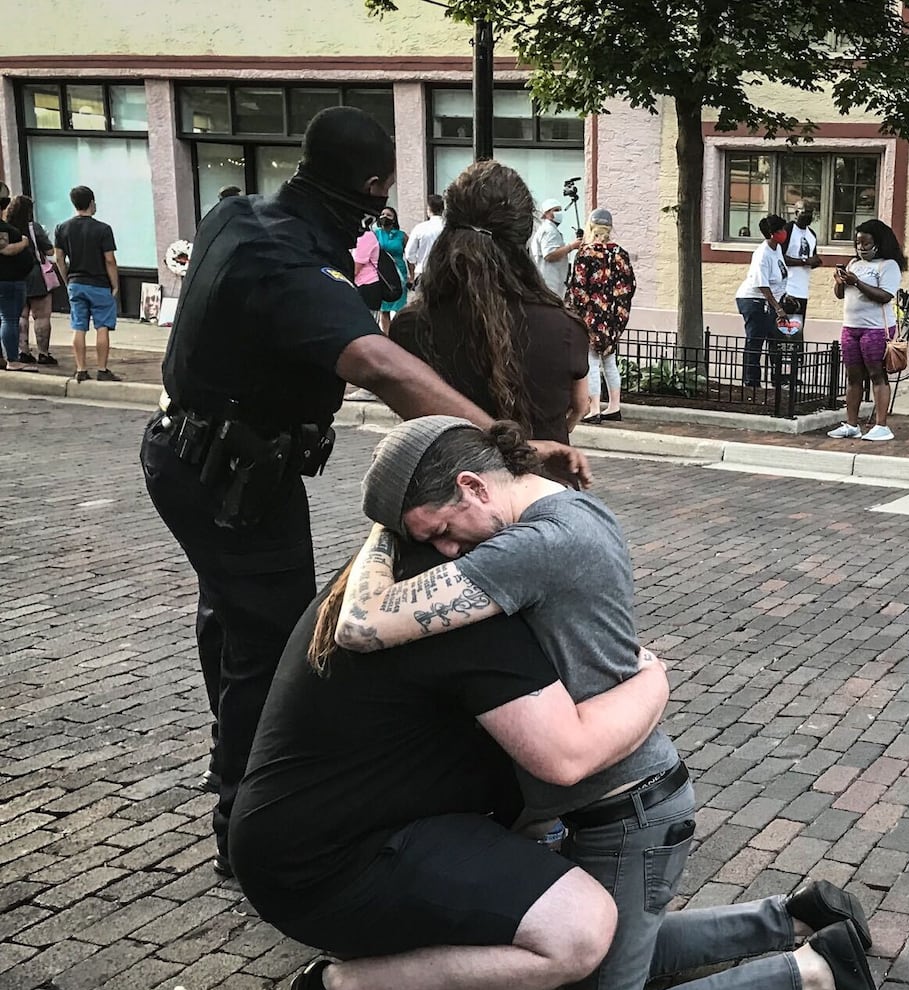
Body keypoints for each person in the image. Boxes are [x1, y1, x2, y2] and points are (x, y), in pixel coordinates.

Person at [332, 418, 884, 990]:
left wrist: (381, 535)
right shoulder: (572, 508)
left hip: (627, 814)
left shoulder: (532, 547)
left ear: (474, 486)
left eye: (440, 530)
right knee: (611, 950)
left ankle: (814, 972)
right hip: (636, 797)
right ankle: (794, 917)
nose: (448, 553)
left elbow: (361, 624)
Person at [140, 106, 590, 879]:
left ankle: (240, 792)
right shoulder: (294, 261)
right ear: (375, 185)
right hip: (232, 475)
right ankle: (248, 824)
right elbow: (379, 366)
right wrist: (509, 442)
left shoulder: (239, 217)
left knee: (233, 622)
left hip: (197, 459)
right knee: (271, 646)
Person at [231, 524, 671, 990]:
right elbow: (568, 758)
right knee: (579, 931)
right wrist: (654, 680)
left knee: (546, 844)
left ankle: (781, 922)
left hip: (331, 834)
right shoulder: (461, 614)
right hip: (327, 866)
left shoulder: (398, 578)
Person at [388, 161, 589, 443]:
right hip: (543, 481)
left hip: (445, 480)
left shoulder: (410, 328)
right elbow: (579, 409)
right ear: (525, 233)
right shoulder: (565, 328)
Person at [826, 219, 907, 444]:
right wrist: (840, 281)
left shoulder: (888, 265)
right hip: (851, 327)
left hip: (876, 329)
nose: (861, 248)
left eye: (866, 243)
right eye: (858, 243)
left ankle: (881, 425)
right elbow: (840, 295)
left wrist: (858, 282)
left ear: (878, 243)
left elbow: (885, 296)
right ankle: (852, 424)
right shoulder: (854, 263)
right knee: (853, 377)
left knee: (876, 374)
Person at [567, 207, 636, 423]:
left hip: (592, 315)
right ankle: (614, 406)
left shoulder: (585, 253)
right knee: (610, 361)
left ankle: (594, 407)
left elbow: (578, 288)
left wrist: (581, 310)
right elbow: (630, 285)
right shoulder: (620, 253)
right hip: (614, 317)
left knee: (591, 361)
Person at [52, 185, 120, 383]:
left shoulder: (62, 228)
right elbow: (109, 260)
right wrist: (114, 284)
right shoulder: (103, 229)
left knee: (78, 326)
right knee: (102, 327)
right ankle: (102, 368)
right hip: (99, 283)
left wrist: (67, 280)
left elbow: (59, 258)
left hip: (75, 282)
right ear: (92, 202)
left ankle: (81, 368)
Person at [734, 214, 790, 393]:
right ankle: (751, 383)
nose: (784, 233)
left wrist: (784, 296)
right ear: (773, 234)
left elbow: (778, 277)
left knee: (774, 339)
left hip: (770, 301)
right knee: (755, 340)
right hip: (754, 300)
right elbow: (762, 284)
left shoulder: (777, 249)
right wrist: (778, 307)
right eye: (781, 230)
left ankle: (777, 379)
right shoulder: (762, 254)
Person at [5, 197, 60, 367]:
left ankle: (23, 352)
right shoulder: (34, 228)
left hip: (13, 274)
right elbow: (50, 250)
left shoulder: (7, 228)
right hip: (35, 273)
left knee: (21, 315)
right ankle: (43, 353)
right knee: (41, 315)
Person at [0, 204, 36, 373]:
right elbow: (6, 250)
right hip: (10, 280)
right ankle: (12, 360)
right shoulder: (9, 231)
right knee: (10, 320)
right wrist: (23, 243)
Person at [532, 198, 581, 299]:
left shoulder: (548, 229)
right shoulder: (549, 231)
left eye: (560, 210)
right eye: (556, 210)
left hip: (550, 282)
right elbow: (549, 255)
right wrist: (571, 246)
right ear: (546, 213)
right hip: (550, 282)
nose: (559, 213)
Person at [783, 208, 823, 322]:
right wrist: (804, 262)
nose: (809, 216)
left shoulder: (812, 234)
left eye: (811, 212)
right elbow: (779, 257)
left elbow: (812, 259)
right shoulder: (788, 229)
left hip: (802, 289)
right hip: (787, 288)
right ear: (796, 213)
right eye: (805, 212)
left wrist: (816, 262)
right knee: (783, 329)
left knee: (796, 330)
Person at [373, 206, 408, 334]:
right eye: (382, 214)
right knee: (384, 308)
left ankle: (400, 333)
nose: (385, 217)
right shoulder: (375, 234)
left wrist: (411, 275)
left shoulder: (402, 236)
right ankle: (387, 335)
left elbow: (409, 256)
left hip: (399, 272)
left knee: (400, 306)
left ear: (394, 219)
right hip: (382, 272)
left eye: (389, 215)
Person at [403, 193, 445, 281]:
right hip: (445, 272)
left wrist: (418, 261)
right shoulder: (450, 228)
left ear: (429, 209)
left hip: (423, 271)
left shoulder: (420, 228)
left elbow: (409, 253)